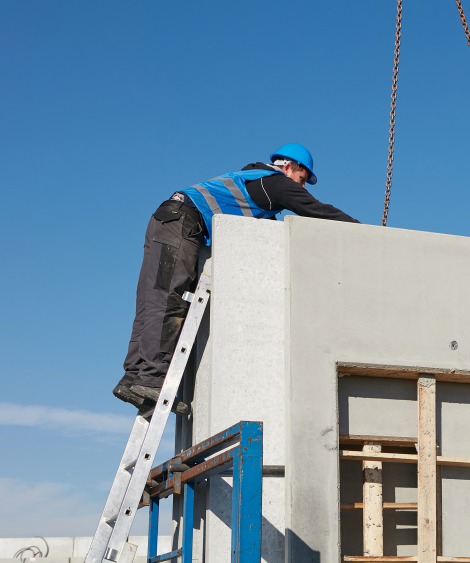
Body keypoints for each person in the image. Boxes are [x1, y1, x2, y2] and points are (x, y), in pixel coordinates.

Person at [112, 143, 359, 413]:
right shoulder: (276, 183)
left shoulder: (254, 184)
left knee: (153, 299)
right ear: (288, 166)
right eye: (301, 179)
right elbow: (316, 210)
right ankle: (151, 379)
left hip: (165, 220)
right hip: (181, 223)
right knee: (169, 299)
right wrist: (364, 232)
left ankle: (132, 378)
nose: (301, 187)